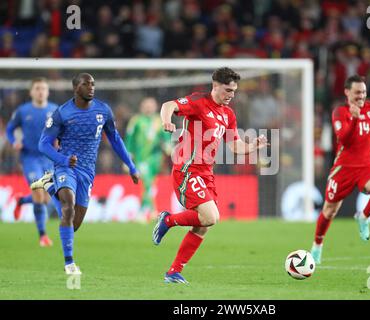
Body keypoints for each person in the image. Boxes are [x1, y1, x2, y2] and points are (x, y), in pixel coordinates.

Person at [152, 67, 268, 283]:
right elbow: (168, 105)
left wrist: (253, 146)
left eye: (234, 91)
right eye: (227, 90)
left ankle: (173, 273)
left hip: (206, 174)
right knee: (211, 216)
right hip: (187, 169)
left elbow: (235, 146)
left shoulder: (228, 114)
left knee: (204, 225)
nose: (231, 95)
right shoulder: (198, 102)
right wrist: (166, 120)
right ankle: (167, 220)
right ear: (215, 86)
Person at [36, 73, 139, 275]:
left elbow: (115, 139)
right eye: (86, 84)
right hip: (66, 167)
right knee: (67, 208)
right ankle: (69, 263)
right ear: (76, 88)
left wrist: (131, 166)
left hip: (87, 171)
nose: (91, 87)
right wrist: (63, 160)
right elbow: (43, 144)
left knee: (73, 225)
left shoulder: (103, 110)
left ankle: (49, 185)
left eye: (93, 84)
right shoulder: (62, 113)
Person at [311, 75, 370, 264]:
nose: (361, 96)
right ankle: (317, 245)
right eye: (357, 92)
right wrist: (354, 119)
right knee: (329, 211)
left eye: (363, 92)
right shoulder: (339, 112)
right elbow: (344, 139)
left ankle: (363, 217)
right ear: (347, 92)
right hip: (343, 168)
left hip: (365, 166)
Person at [6, 77, 58, 247]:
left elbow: (62, 131)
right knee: (38, 191)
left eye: (43, 88)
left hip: (48, 158)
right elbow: (10, 128)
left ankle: (21, 201)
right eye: (37, 88)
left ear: (48, 91)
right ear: (31, 92)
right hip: (30, 158)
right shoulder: (23, 111)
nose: (41, 91)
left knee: (45, 199)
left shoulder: (54, 110)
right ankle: (43, 235)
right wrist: (14, 141)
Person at [125, 97, 171, 221]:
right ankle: (151, 211)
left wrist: (168, 147)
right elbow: (129, 140)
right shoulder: (136, 121)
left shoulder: (159, 121)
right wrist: (127, 159)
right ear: (141, 106)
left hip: (156, 158)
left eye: (151, 105)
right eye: (146, 105)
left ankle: (145, 210)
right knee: (147, 182)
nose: (149, 107)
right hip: (141, 158)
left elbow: (166, 136)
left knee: (149, 184)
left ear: (156, 107)